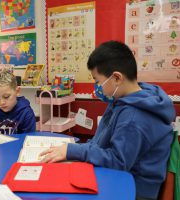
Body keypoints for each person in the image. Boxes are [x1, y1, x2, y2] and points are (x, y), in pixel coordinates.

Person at [40, 40, 175, 200]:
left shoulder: (134, 117)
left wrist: (72, 151)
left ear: (117, 78)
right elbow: (103, 142)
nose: (96, 87)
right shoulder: (130, 96)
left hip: (133, 189)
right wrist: (75, 150)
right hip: (122, 175)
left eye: (98, 81)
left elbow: (118, 161)